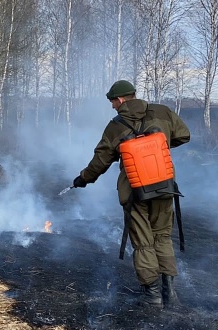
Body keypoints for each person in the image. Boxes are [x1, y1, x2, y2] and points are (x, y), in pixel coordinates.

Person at [72, 80, 190, 307]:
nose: (112, 107)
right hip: (165, 185)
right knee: (162, 237)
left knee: (144, 243)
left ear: (121, 99)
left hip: (136, 192)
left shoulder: (116, 126)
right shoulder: (162, 112)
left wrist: (84, 178)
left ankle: (153, 296)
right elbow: (184, 135)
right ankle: (170, 293)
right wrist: (158, 146)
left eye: (112, 102)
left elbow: (100, 161)